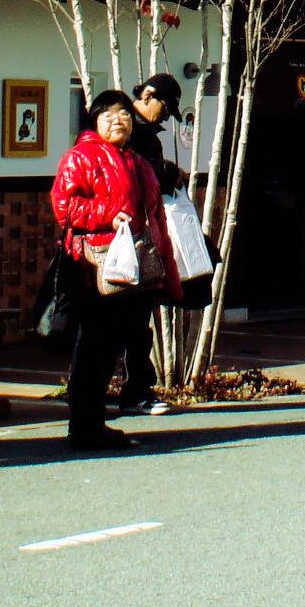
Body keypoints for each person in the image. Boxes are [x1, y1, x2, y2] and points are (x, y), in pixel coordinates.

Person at [50, 91, 178, 451]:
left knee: (111, 345)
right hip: (92, 265)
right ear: (95, 122)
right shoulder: (81, 157)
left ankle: (94, 423)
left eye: (123, 114)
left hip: (131, 265)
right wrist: (107, 214)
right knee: (94, 344)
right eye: (108, 116)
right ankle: (85, 426)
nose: (117, 121)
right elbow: (66, 208)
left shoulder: (134, 160)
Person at [114, 75, 189, 416]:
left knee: (128, 319)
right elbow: (141, 178)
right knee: (132, 318)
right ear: (147, 95)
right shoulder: (131, 133)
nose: (164, 115)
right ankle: (135, 391)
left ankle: (120, 390)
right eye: (163, 106)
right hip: (128, 237)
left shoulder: (132, 130)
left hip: (136, 236)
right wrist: (169, 174)